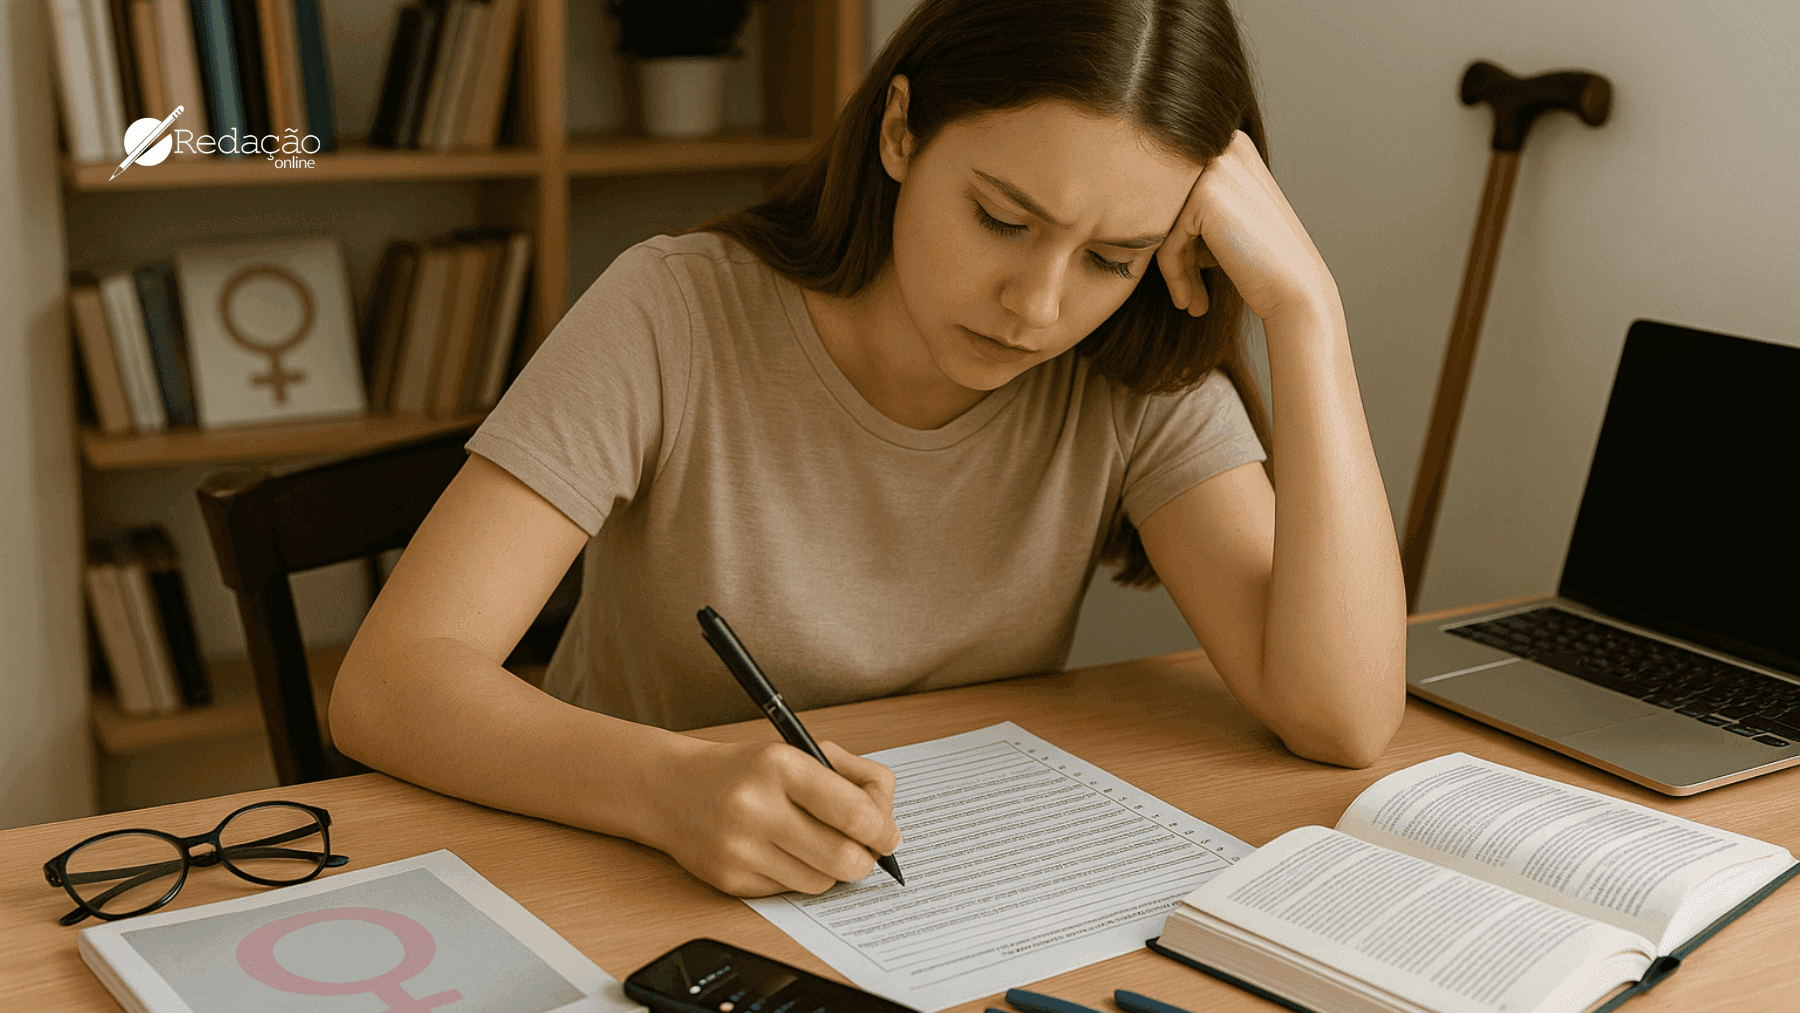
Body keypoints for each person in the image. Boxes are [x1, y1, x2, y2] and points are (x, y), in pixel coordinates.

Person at [329, 0, 1406, 898]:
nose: (1036, 306)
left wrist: (1308, 310)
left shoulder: (1128, 375)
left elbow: (1342, 715)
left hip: (933, 891)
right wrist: (669, 786)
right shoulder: (675, 310)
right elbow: (389, 682)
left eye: (1113, 256)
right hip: (624, 867)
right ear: (901, 130)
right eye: (1000, 218)